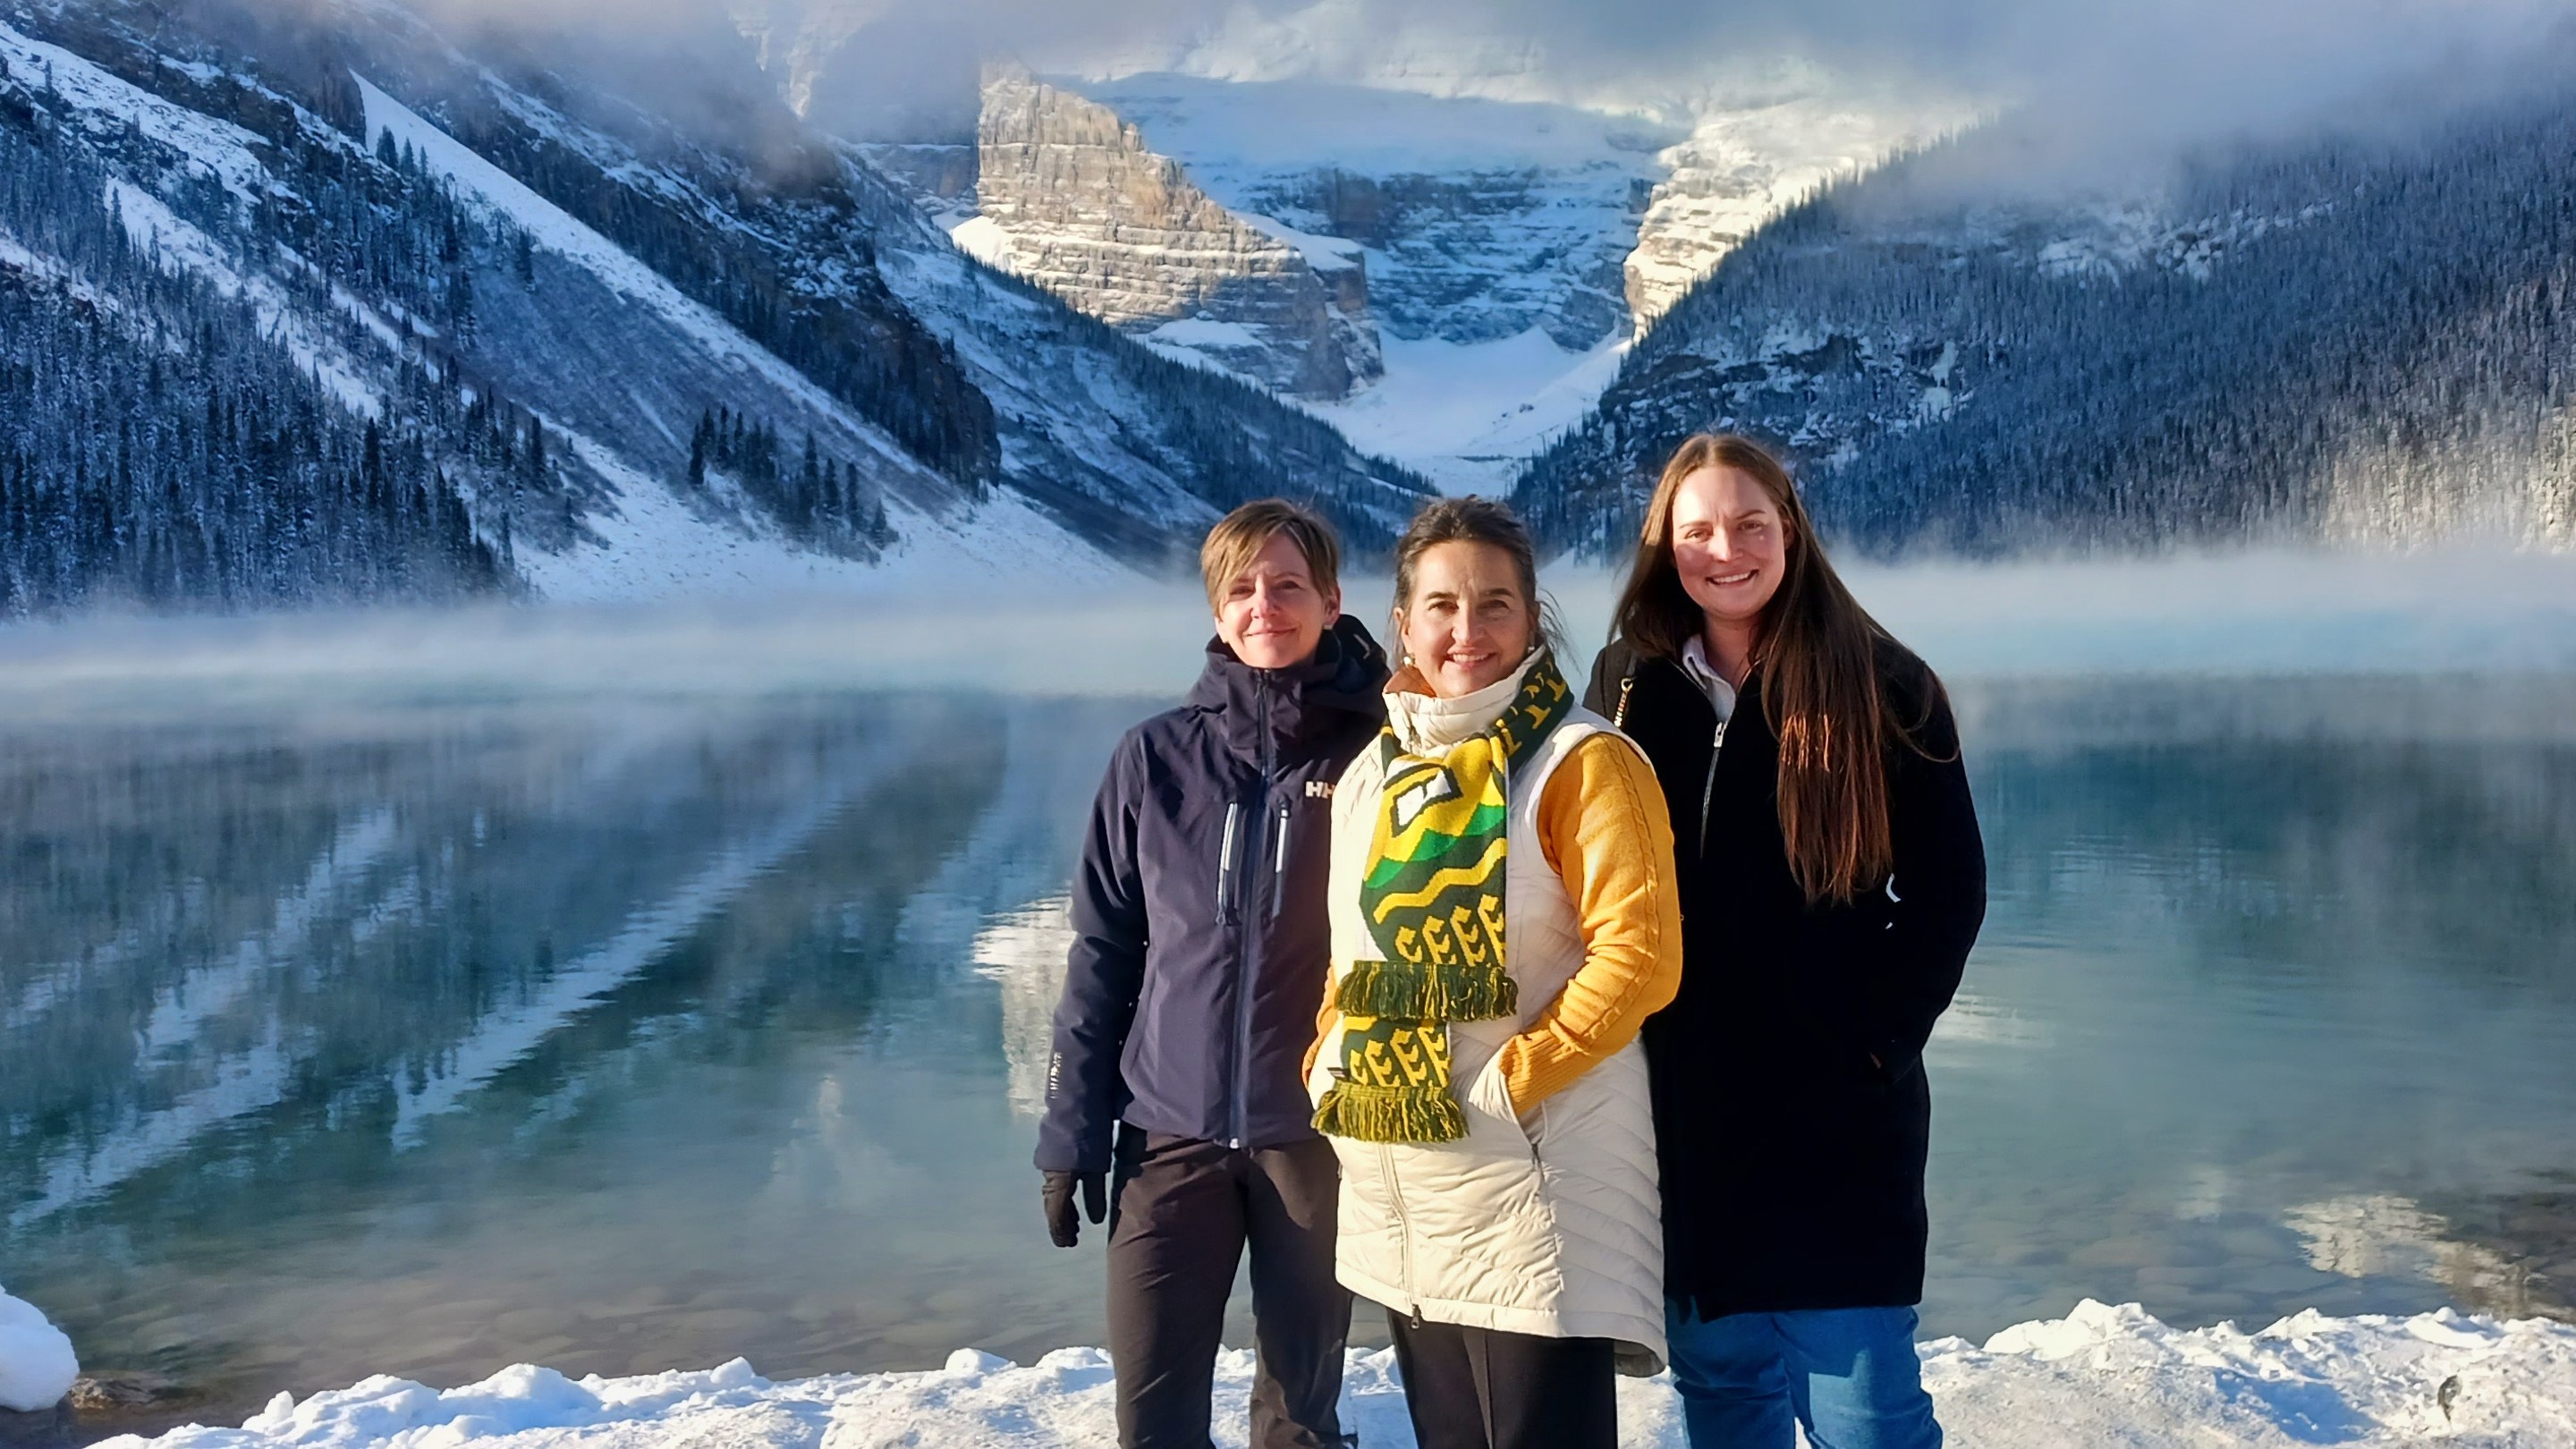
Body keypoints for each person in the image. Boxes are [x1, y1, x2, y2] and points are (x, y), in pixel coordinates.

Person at [1584, 434, 1987, 1449]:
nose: (1727, 548)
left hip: (1836, 1126)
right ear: (1663, 545)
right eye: (1700, 530)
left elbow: (1949, 893)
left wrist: (1873, 1044)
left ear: (1791, 531)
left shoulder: (1887, 684)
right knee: (1724, 1399)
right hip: (1684, 1117)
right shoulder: (1628, 685)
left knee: (1868, 1418)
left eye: (1751, 523)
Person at [1309, 496, 1682, 1449]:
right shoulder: (1373, 774)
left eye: (1495, 604)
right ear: (1403, 623)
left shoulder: (1584, 763)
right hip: (1400, 1171)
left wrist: (1509, 1084)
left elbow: (1639, 958)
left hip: (1531, 1178)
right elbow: (1352, 956)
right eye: (1440, 605)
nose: (1465, 629)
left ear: (1531, 618)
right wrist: (1326, 1061)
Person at [1037, 500, 1386, 1449]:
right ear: (1216, 608)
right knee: (1152, 1412)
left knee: (1299, 1416)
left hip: (1317, 1137)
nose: (1263, 605)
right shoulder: (1153, 760)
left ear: (1330, 599)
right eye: (1241, 588)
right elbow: (1104, 953)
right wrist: (1073, 1131)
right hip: (1167, 1137)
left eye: (1286, 585)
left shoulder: (1380, 755)